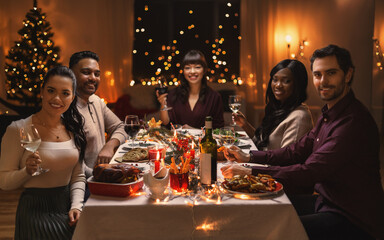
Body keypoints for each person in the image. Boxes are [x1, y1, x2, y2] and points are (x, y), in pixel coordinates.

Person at [222, 45, 384, 239]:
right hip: (325, 201)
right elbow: (295, 151)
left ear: (348, 75)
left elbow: (310, 171)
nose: (323, 81)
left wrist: (251, 171)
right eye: (317, 75)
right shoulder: (329, 114)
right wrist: (248, 156)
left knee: (269, 229)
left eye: (331, 73)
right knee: (256, 210)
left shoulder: (352, 122)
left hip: (351, 217)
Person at [0, 66, 87, 239]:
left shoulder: (73, 129)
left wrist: (76, 206)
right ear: (42, 92)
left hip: (66, 207)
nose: (57, 98)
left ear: (72, 98)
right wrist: (27, 172)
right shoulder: (17, 129)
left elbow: (78, 176)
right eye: (51, 90)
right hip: (34, 210)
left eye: (65, 93)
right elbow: (3, 182)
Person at [69, 51, 127, 179]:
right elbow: (73, 164)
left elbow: (121, 127)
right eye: (86, 72)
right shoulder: (67, 110)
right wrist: (101, 176)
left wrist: (109, 146)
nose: (93, 78)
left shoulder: (96, 100)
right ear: (71, 75)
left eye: (97, 74)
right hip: (84, 182)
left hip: (103, 174)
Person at [233, 59, 313, 150]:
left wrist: (248, 158)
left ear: (298, 85)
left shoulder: (300, 117)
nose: (278, 85)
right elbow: (263, 146)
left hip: (275, 164)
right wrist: (245, 125)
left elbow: (286, 159)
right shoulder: (281, 109)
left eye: (286, 81)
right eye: (275, 80)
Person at [156, 50, 224, 129]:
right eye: (187, 68)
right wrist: (162, 104)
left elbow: (218, 130)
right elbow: (165, 123)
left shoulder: (214, 97)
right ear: (183, 71)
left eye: (197, 67)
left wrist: (194, 131)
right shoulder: (173, 94)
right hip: (176, 140)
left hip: (204, 141)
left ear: (204, 70)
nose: (192, 71)